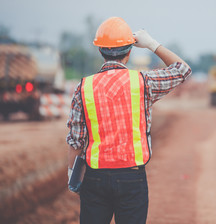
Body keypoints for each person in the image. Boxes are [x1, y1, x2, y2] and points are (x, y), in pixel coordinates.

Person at [66, 17, 191, 224]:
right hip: (132, 178)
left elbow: (75, 140)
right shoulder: (143, 83)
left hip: (95, 178)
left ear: (100, 51)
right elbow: (183, 70)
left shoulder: (84, 87)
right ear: (130, 51)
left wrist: (73, 176)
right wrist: (151, 44)